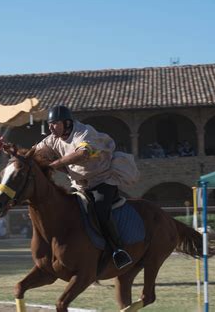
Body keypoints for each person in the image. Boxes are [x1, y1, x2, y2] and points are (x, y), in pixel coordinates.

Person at [34, 105, 138, 269]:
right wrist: (10, 149)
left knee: (100, 211)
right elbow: (34, 153)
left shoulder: (84, 132)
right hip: (79, 185)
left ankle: (118, 250)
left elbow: (83, 153)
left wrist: (55, 164)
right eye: (49, 124)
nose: (51, 128)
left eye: (55, 123)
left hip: (102, 181)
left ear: (67, 123)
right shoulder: (52, 139)